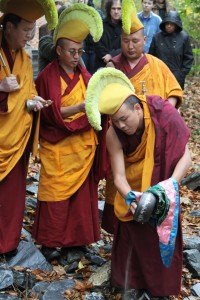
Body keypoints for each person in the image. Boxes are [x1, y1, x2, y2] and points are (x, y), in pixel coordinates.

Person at [85, 67, 192, 299]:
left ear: (137, 107)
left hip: (164, 189)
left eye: (124, 119)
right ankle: (131, 284)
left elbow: (187, 155)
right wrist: (131, 197)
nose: (122, 126)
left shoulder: (163, 113)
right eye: (115, 121)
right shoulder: (114, 134)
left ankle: (161, 289)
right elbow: (119, 176)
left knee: (161, 235)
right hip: (134, 191)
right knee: (133, 233)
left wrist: (168, 187)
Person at [32, 4, 105, 262]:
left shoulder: (84, 75)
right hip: (58, 144)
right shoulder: (46, 76)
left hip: (82, 143)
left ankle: (78, 239)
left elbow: (95, 101)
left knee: (81, 194)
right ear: (59, 50)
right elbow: (50, 112)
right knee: (54, 190)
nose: (77, 57)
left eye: (80, 51)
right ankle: (52, 241)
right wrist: (80, 107)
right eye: (72, 51)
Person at [104, 0, 183, 234]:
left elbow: (174, 94)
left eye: (135, 41)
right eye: (125, 41)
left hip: (154, 135)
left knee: (154, 176)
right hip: (121, 136)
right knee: (117, 179)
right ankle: (119, 231)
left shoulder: (157, 65)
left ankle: (156, 223)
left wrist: (162, 119)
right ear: (120, 41)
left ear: (145, 41)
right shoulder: (113, 69)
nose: (130, 46)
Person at [0, 0, 58, 258]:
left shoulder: (24, 57)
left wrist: (34, 101)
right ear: (9, 26)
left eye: (33, 31)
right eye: (26, 31)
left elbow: (28, 90)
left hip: (16, 138)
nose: (29, 37)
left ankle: (6, 244)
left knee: (12, 196)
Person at [149, 11, 194, 89]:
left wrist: (181, 74)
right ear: (164, 24)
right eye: (167, 23)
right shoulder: (157, 37)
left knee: (175, 99)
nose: (169, 26)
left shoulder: (183, 37)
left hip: (177, 77)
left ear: (176, 25)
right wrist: (154, 73)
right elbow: (150, 57)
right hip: (159, 75)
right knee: (160, 99)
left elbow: (188, 58)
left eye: (172, 24)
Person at [77, 0, 105, 75]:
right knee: (83, 72)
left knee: (93, 74)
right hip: (83, 49)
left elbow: (102, 29)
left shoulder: (97, 12)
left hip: (95, 49)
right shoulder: (76, 13)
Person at [94, 0, 122, 71]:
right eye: (113, 8)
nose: (116, 11)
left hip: (120, 65)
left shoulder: (126, 27)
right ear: (109, 9)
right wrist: (106, 57)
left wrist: (111, 55)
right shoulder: (101, 25)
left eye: (119, 9)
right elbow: (97, 44)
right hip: (102, 64)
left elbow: (126, 47)